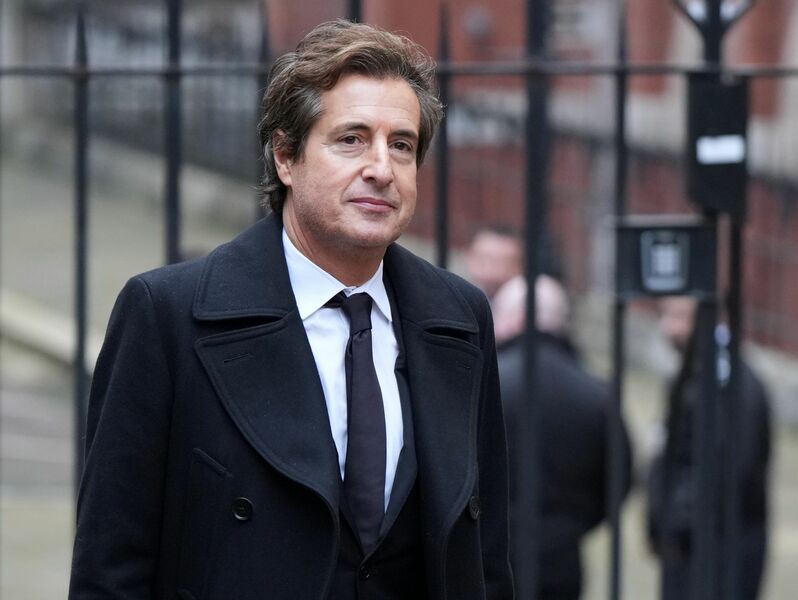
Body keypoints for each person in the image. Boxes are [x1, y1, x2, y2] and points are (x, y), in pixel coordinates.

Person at [69, 20, 513, 600]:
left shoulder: (459, 316)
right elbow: (110, 565)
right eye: (351, 139)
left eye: (401, 145)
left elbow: (485, 555)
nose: (381, 168)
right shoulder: (167, 315)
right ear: (285, 156)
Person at [491, 274, 632, 600]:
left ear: (517, 318)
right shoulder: (595, 392)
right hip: (562, 555)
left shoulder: (488, 382)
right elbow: (619, 478)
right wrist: (573, 524)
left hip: (493, 552)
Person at [647, 296, 771, 600]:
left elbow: (729, 469)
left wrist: (676, 523)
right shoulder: (696, 372)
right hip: (694, 545)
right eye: (666, 315)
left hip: (717, 548)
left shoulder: (729, 382)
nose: (669, 328)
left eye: (680, 317)